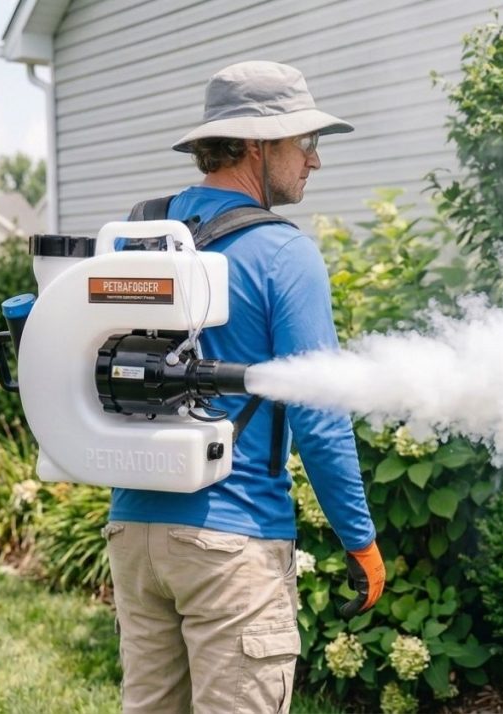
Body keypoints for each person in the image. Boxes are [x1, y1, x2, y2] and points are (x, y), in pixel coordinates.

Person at [102, 61, 385, 714]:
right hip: (232, 543)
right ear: (258, 146)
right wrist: (360, 540)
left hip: (133, 531)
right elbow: (319, 414)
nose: (314, 160)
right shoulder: (283, 253)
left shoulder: (141, 232)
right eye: (305, 141)